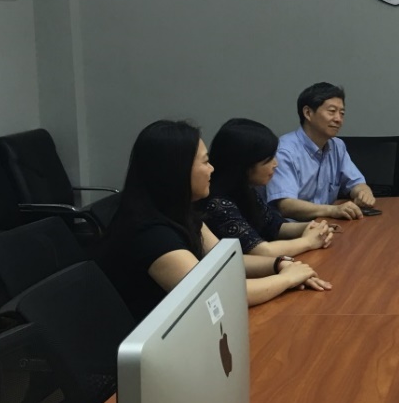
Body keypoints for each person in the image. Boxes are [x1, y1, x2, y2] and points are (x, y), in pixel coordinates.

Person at [100, 120, 330, 320]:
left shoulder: (181, 211)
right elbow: (218, 294)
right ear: (177, 170)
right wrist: (287, 279)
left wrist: (279, 264)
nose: (211, 169)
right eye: (205, 162)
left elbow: (226, 261)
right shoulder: (152, 234)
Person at [199, 118, 336, 257]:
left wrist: (313, 227)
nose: (276, 164)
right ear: (244, 164)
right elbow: (261, 251)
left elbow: (274, 226)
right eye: (268, 160)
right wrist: (308, 241)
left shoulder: (244, 189)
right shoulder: (217, 204)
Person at [267, 82, 376, 221]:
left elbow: (355, 183)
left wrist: (364, 193)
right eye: (332, 111)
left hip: (326, 225)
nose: (338, 119)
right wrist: (333, 210)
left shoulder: (337, 146)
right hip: (293, 230)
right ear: (308, 113)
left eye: (342, 113)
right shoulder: (284, 151)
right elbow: (286, 205)